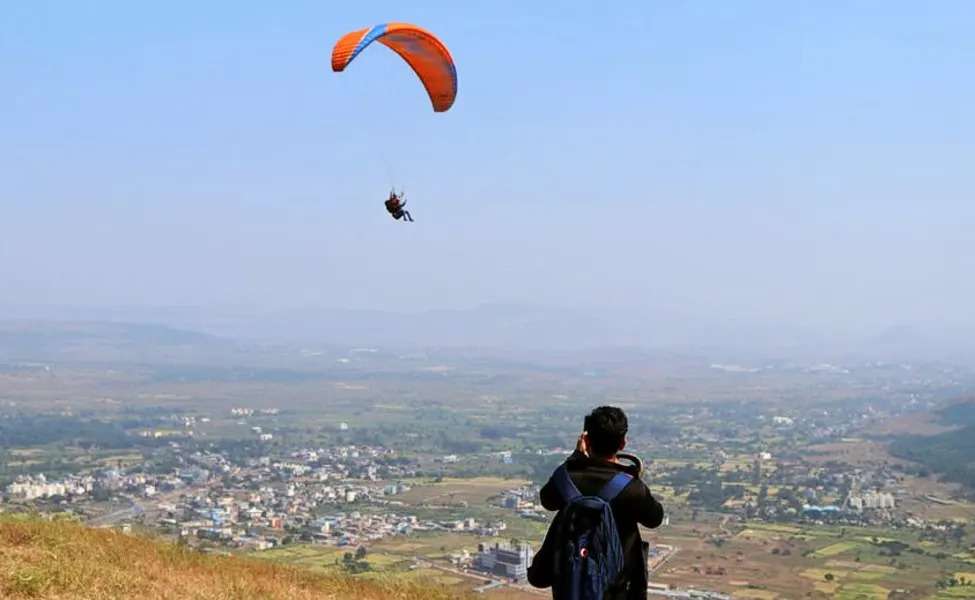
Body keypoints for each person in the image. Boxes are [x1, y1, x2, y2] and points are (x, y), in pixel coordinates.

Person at [528, 406, 664, 600]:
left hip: (571, 588)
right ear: (623, 443)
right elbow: (655, 518)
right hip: (618, 591)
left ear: (586, 440)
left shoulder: (566, 479)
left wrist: (575, 458)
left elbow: (547, 500)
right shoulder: (632, 488)